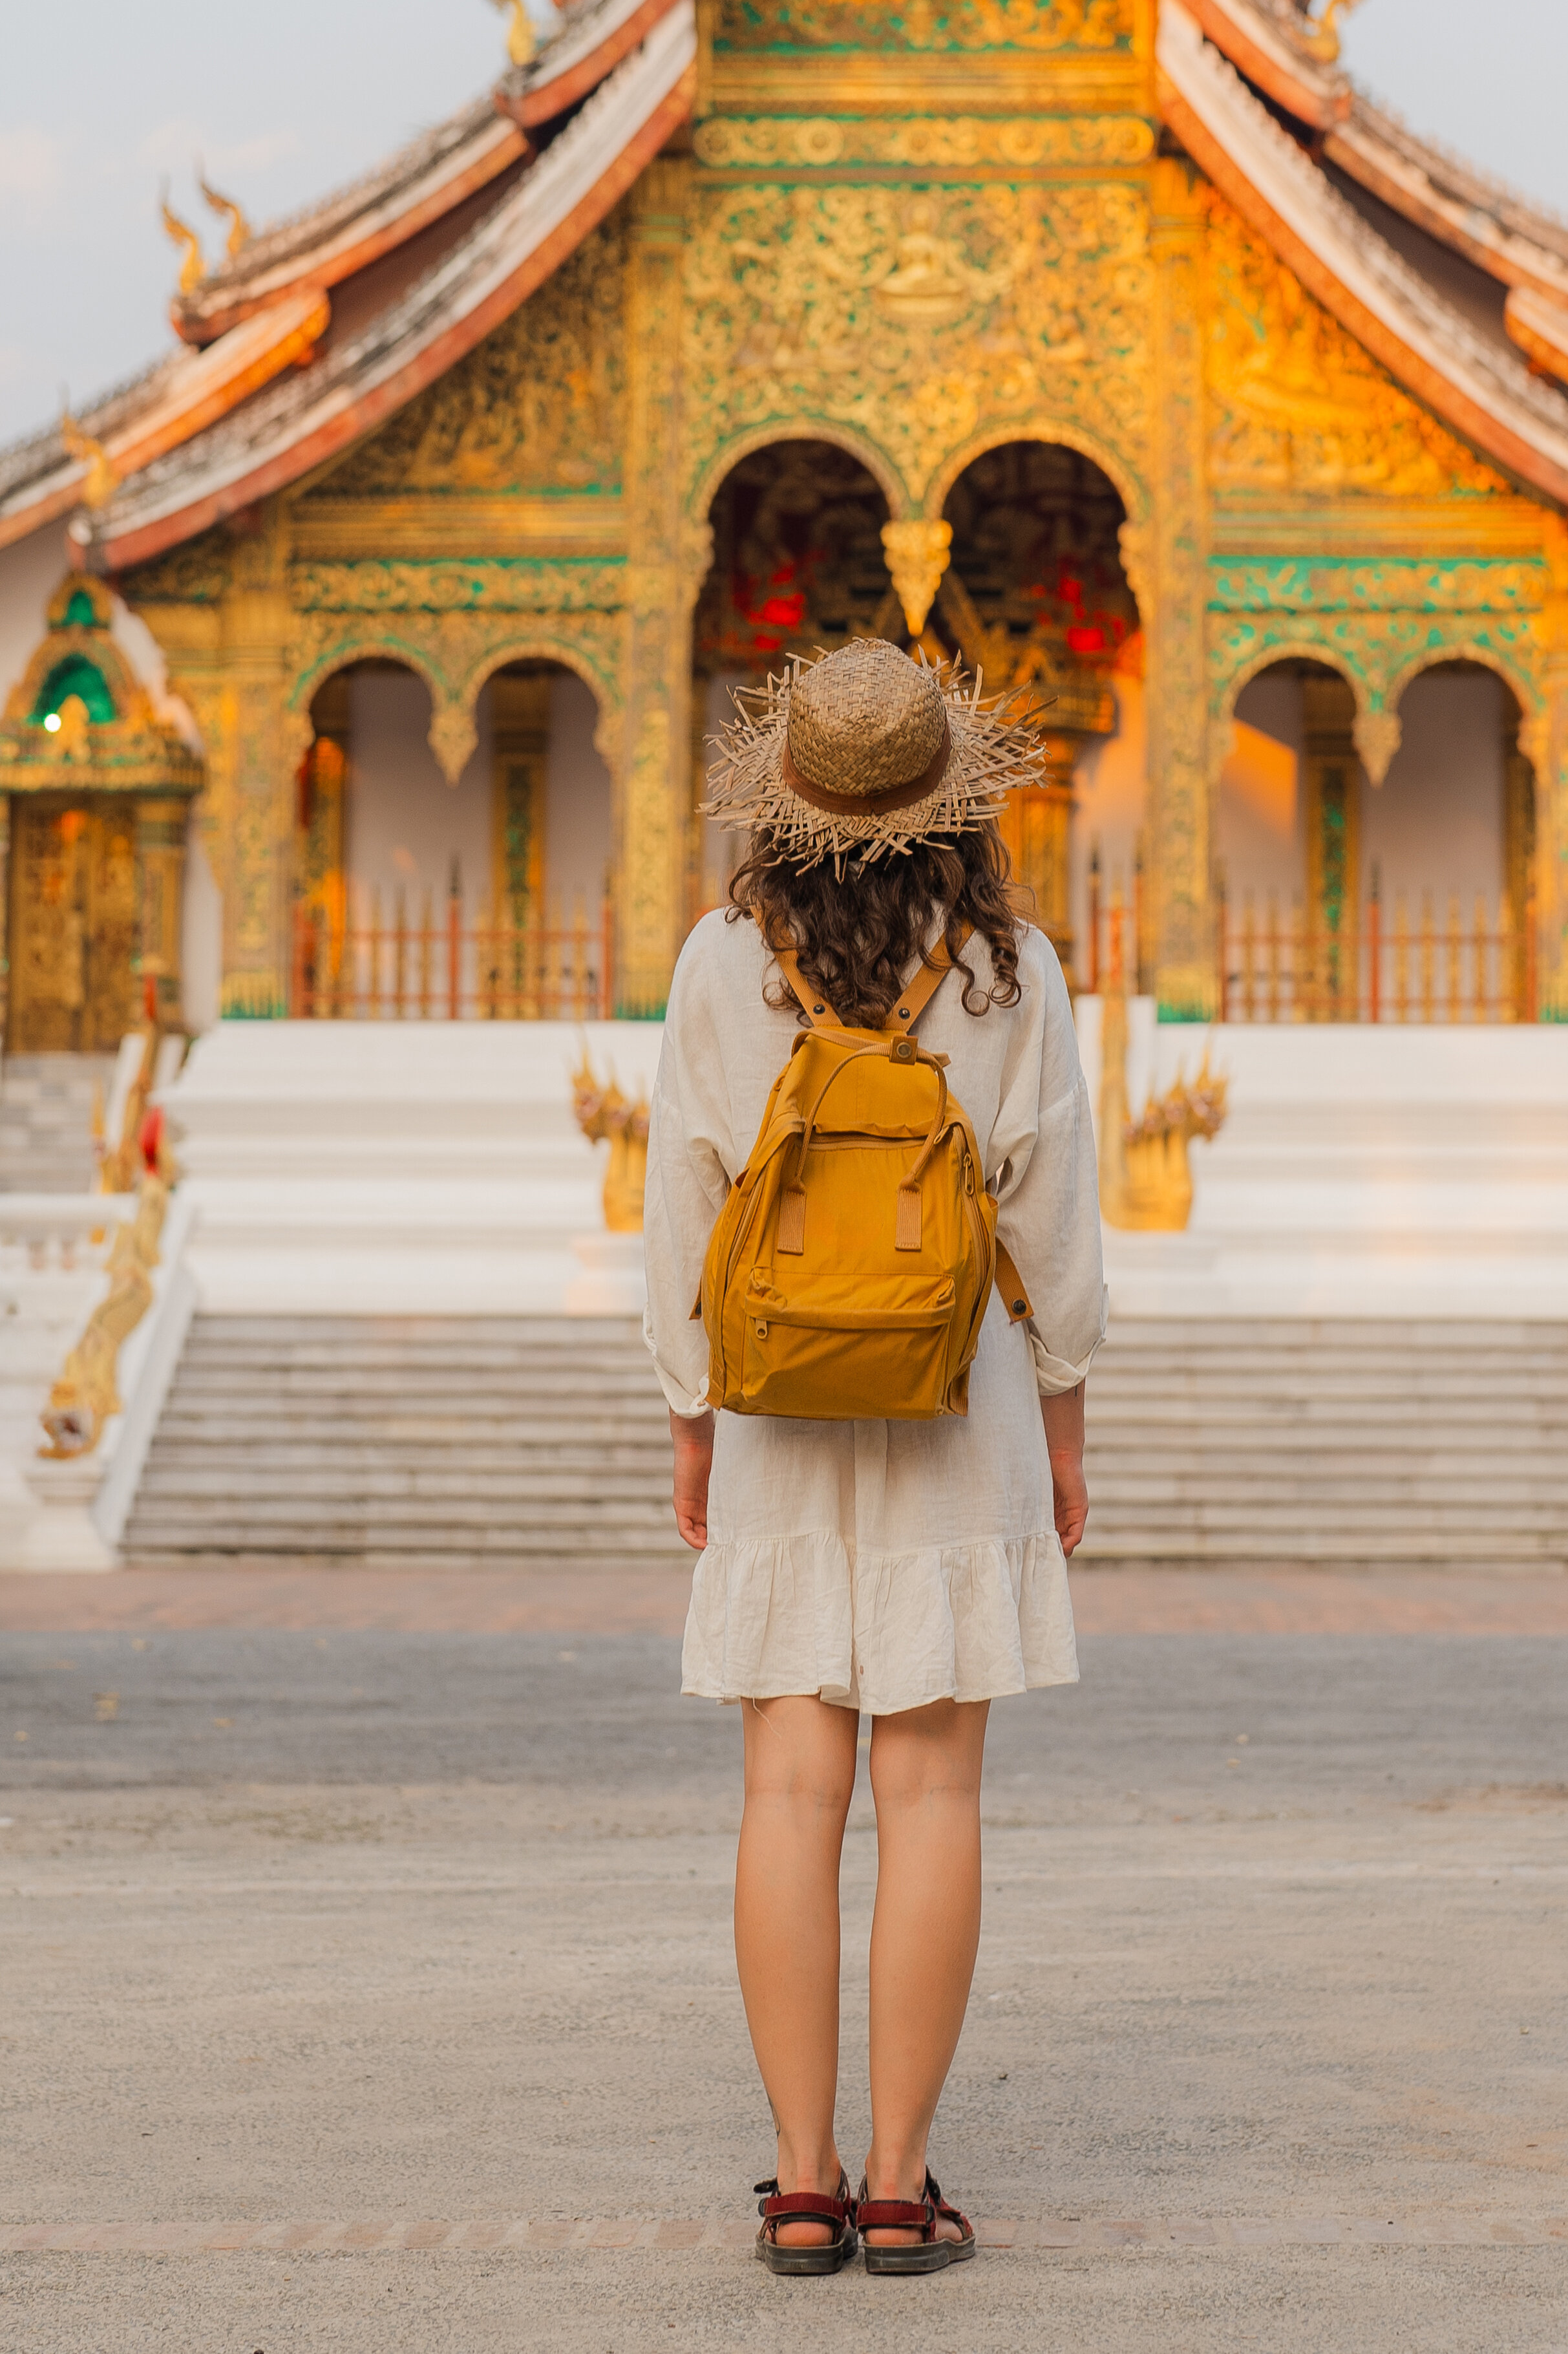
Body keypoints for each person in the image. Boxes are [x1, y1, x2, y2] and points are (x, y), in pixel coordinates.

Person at [642, 637, 1107, 2280]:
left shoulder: (721, 958)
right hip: (955, 1396)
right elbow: (1047, 1214)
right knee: (929, 1792)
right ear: (952, 797)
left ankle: (799, 2178)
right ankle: (902, 2187)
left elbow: (683, 1204)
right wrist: (1059, 1417)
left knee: (787, 1790)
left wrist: (690, 1413)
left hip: (773, 1398)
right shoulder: (1007, 968)